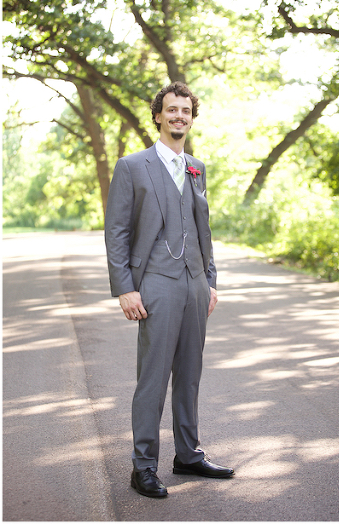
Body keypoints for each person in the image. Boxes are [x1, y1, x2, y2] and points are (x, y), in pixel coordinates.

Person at [105, 81, 234, 498]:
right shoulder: (132, 166)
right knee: (153, 379)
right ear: (158, 115)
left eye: (186, 111)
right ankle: (143, 465)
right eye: (171, 110)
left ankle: (188, 455)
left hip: (195, 284)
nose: (179, 117)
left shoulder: (196, 167)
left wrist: (210, 281)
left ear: (191, 118)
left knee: (190, 375)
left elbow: (204, 230)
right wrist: (125, 288)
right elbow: (117, 232)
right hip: (156, 283)